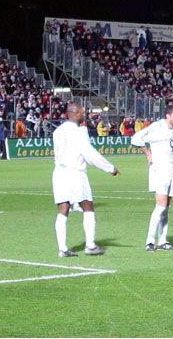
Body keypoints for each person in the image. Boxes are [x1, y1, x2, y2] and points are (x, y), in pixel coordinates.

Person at [52, 103, 120, 257]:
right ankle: (90, 245)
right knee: (88, 206)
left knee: (63, 209)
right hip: (75, 172)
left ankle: (62, 249)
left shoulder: (58, 131)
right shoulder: (79, 131)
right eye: (82, 112)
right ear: (75, 113)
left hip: (59, 172)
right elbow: (89, 154)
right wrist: (109, 168)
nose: (84, 115)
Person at [131, 105, 173, 252]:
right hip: (159, 171)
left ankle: (163, 240)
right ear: (168, 116)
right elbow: (136, 139)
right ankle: (149, 241)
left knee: (166, 208)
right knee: (160, 206)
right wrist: (148, 153)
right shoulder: (157, 127)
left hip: (171, 171)